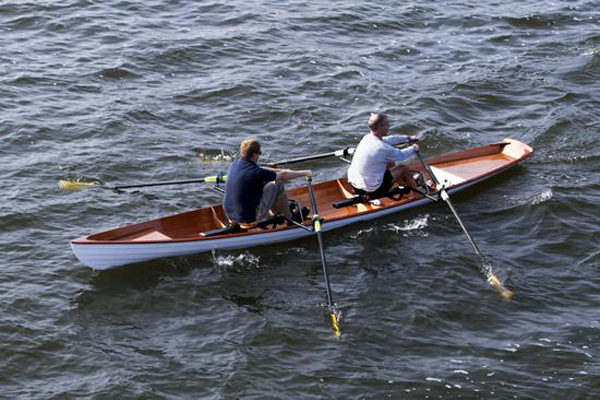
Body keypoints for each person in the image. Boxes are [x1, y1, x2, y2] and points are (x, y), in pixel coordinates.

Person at [223, 138, 311, 224]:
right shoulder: (256, 172)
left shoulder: (235, 165)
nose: (259, 156)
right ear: (254, 155)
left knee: (265, 182)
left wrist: (282, 171)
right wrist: (305, 173)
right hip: (249, 218)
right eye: (259, 153)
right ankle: (289, 219)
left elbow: (260, 168)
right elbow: (283, 176)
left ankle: (277, 212)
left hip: (230, 215)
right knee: (278, 183)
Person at [347, 113, 419, 198]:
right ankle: (418, 194)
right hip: (371, 190)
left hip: (354, 184)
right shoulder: (382, 148)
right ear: (380, 127)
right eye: (387, 124)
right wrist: (414, 148)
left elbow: (389, 140)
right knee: (403, 168)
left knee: (390, 163)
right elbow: (401, 155)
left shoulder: (367, 137)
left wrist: (407, 138)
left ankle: (403, 185)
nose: (389, 126)